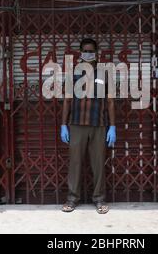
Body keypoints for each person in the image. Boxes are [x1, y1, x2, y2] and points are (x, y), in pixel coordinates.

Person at [60, 38, 116, 214]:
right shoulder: (73, 73)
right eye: (85, 50)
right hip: (76, 124)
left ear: (96, 52)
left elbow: (110, 102)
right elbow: (67, 101)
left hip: (98, 125)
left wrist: (112, 126)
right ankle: (72, 198)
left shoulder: (104, 73)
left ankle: (99, 199)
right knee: (75, 163)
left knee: (98, 163)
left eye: (91, 50)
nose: (88, 53)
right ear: (80, 52)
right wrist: (63, 125)